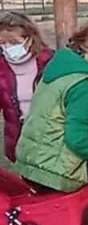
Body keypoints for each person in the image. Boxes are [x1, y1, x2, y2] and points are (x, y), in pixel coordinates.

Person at [14, 22, 88, 192]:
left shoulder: (57, 70)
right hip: (59, 173)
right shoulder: (84, 85)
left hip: (35, 164)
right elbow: (77, 138)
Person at [0, 12, 53, 162]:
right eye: (3, 43)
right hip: (19, 141)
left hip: (51, 140)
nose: (8, 47)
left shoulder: (50, 62)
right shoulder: (1, 68)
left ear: (30, 39)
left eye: (14, 43)